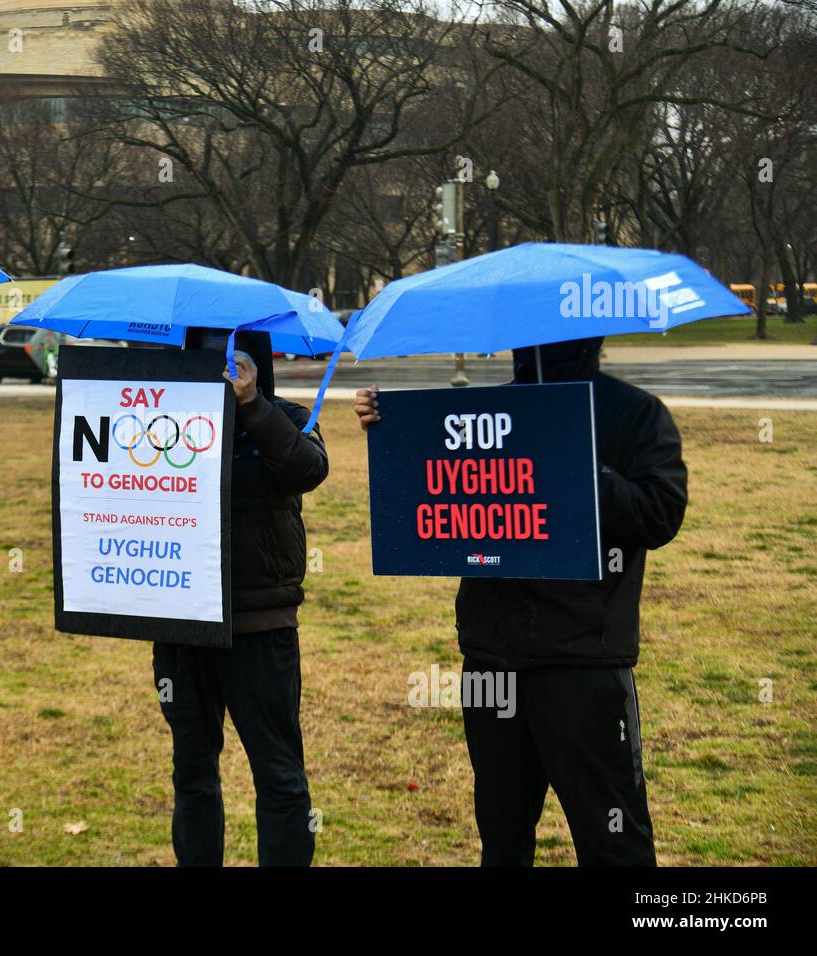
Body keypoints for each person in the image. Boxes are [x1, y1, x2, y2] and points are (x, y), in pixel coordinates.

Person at [354, 337, 687, 866]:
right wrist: (392, 427)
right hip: (492, 661)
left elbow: (659, 515)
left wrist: (580, 463)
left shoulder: (634, 413)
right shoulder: (488, 413)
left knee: (613, 838)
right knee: (503, 836)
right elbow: (430, 487)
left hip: (584, 663)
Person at [152, 328, 329, 866]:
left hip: (260, 627)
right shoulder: (165, 423)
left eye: (235, 358)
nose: (224, 368)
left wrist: (253, 406)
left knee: (278, 773)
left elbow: (307, 468)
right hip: (182, 624)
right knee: (192, 771)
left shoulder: (290, 418)